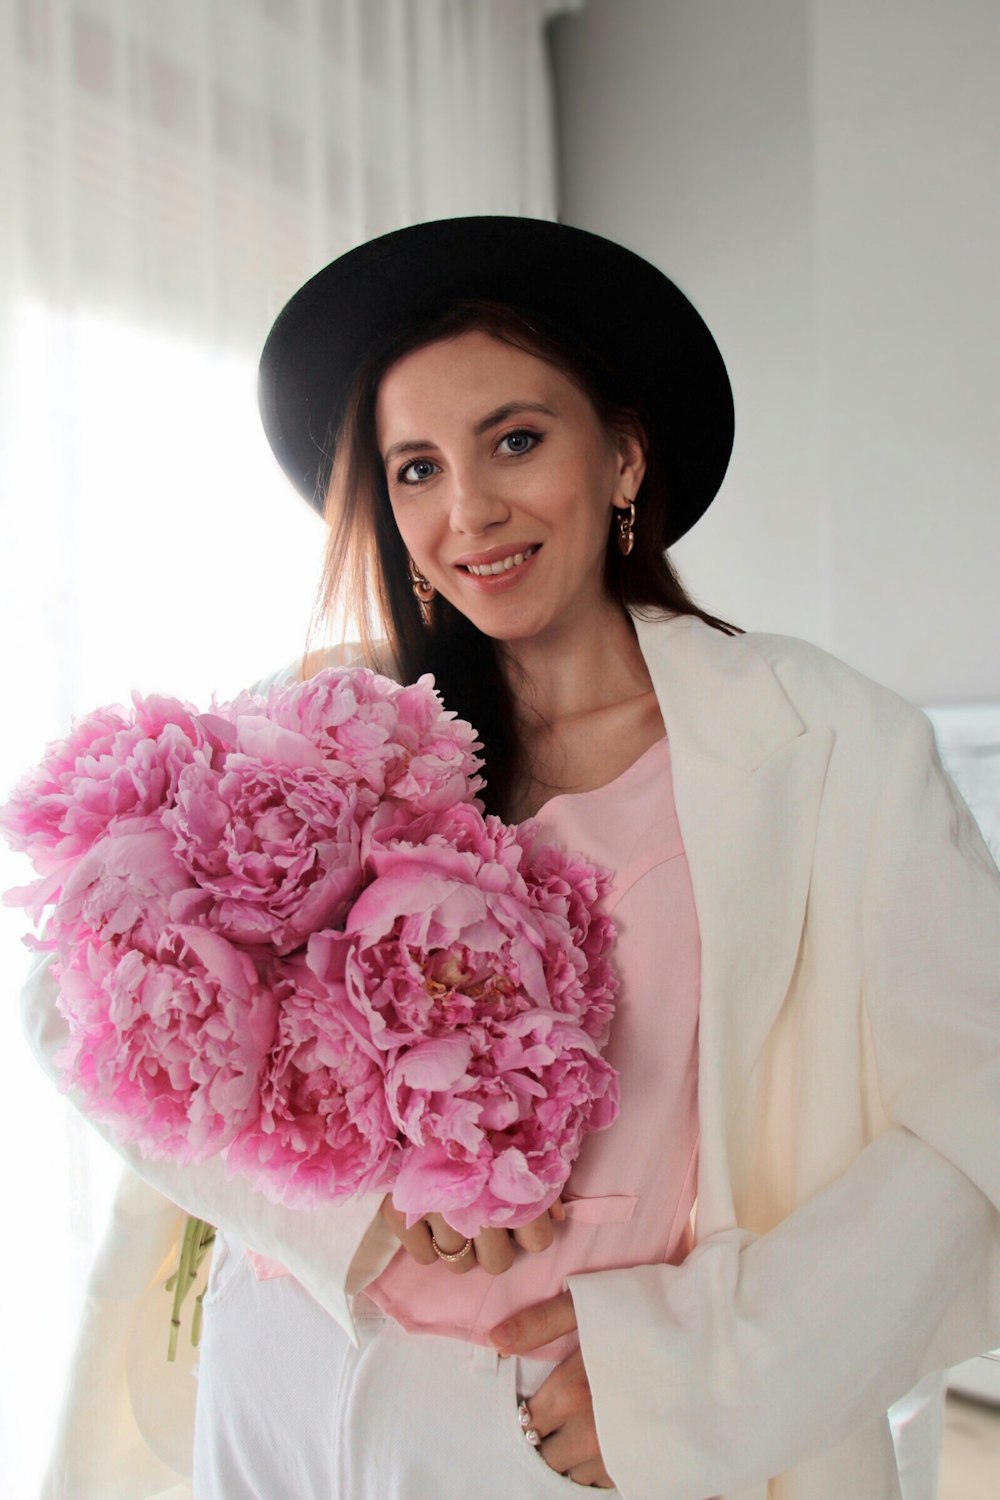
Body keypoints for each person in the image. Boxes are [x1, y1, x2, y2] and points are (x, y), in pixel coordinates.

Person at [21, 217, 1000, 1500]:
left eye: (516, 441)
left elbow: (979, 1111)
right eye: (415, 467)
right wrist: (340, 1207)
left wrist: (702, 1372)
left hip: (566, 1433)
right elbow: (71, 1007)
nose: (467, 510)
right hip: (281, 1385)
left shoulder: (820, 745)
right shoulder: (312, 724)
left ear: (624, 455)